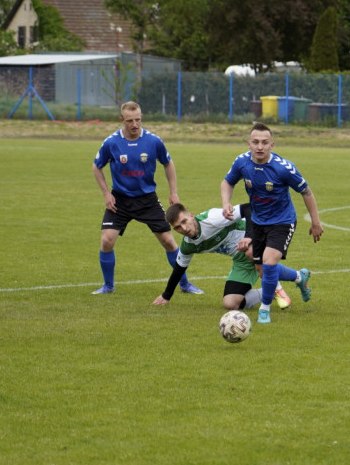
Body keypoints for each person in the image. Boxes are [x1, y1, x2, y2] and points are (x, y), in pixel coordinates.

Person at [91, 101, 202, 296]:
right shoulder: (111, 142)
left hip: (147, 200)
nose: (134, 124)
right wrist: (106, 194)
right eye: (130, 121)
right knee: (107, 241)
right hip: (120, 200)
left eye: (138, 120)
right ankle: (108, 286)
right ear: (121, 120)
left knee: (168, 241)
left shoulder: (153, 141)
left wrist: (173, 192)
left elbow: (168, 163)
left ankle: (184, 284)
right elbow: (96, 166)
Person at [220, 122, 323, 324]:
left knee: (268, 262)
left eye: (264, 142)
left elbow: (306, 192)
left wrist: (316, 222)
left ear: (272, 145)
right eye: (256, 142)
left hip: (282, 222)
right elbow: (227, 182)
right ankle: (299, 277)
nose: (260, 146)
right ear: (249, 143)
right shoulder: (242, 162)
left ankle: (264, 310)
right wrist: (226, 203)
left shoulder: (283, 168)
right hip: (258, 222)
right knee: (261, 268)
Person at [152, 203, 311, 311]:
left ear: (191, 215)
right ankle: (297, 277)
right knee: (230, 303)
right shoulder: (188, 245)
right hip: (240, 259)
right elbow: (179, 268)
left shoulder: (212, 218)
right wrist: (166, 295)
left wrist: (249, 237)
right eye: (178, 227)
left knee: (252, 253)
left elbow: (249, 208)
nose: (184, 228)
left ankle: (277, 288)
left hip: (256, 237)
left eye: (184, 221)